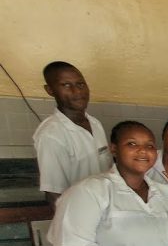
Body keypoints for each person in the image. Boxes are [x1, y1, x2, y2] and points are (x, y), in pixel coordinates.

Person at [33, 61, 112, 207]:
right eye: (66, 85)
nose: (77, 91)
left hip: (105, 205)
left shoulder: (95, 123)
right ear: (50, 90)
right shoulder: (51, 135)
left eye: (80, 84)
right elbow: (54, 193)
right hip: (80, 211)